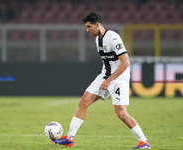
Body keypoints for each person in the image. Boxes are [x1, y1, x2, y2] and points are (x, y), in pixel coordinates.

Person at [52, 12, 151, 149]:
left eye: (89, 27)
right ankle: (69, 139)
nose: (87, 30)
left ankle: (144, 142)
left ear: (97, 25)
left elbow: (126, 62)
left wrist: (109, 80)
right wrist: (106, 78)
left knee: (121, 113)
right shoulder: (97, 39)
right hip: (105, 76)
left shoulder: (113, 37)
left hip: (118, 78)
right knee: (83, 102)